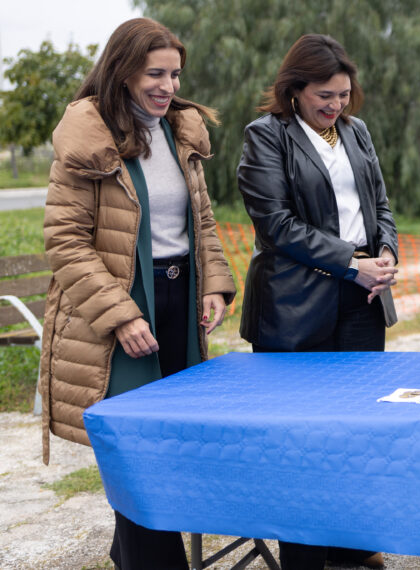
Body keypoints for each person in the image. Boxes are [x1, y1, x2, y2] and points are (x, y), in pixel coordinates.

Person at [39, 17, 236, 569]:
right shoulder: (88, 135)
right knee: (137, 448)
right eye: (156, 73)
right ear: (122, 71)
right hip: (120, 309)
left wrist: (215, 285)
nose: (169, 86)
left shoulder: (180, 130)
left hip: (178, 302)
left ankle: (134, 553)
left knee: (172, 442)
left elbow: (202, 219)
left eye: (175, 74)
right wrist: (121, 316)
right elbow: (65, 242)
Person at [236, 34, 398, 569]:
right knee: (298, 441)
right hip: (293, 307)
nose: (336, 106)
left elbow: (380, 203)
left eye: (344, 95)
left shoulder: (358, 132)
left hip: (361, 302)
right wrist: (351, 263)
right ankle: (303, 557)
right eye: (324, 96)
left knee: (353, 432)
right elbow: (276, 226)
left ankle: (349, 547)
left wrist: (388, 253)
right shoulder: (266, 136)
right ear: (295, 91)